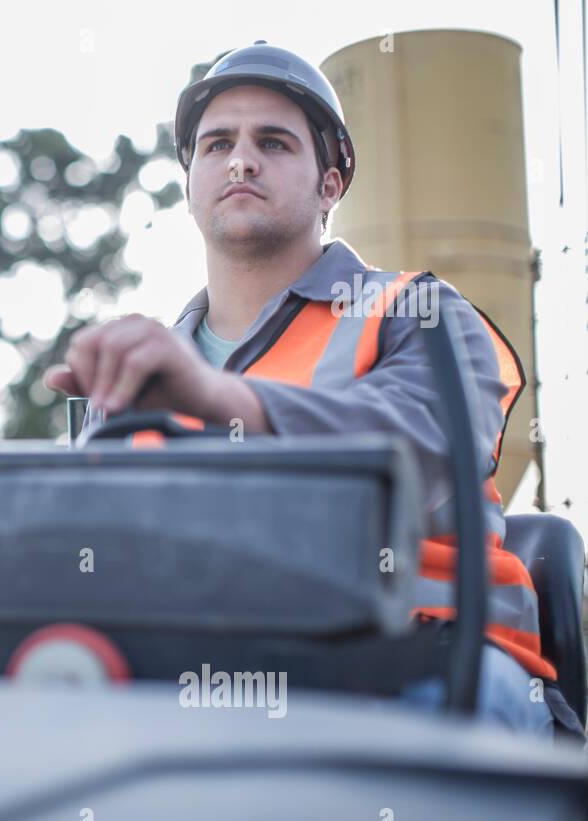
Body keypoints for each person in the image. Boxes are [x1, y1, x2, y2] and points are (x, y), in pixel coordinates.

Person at [43, 41, 585, 743]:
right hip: (208, 671)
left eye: (273, 142)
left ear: (330, 185)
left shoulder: (416, 312)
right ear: (190, 182)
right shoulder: (140, 367)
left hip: (427, 657)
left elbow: (421, 451)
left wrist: (219, 399)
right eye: (216, 145)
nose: (240, 160)